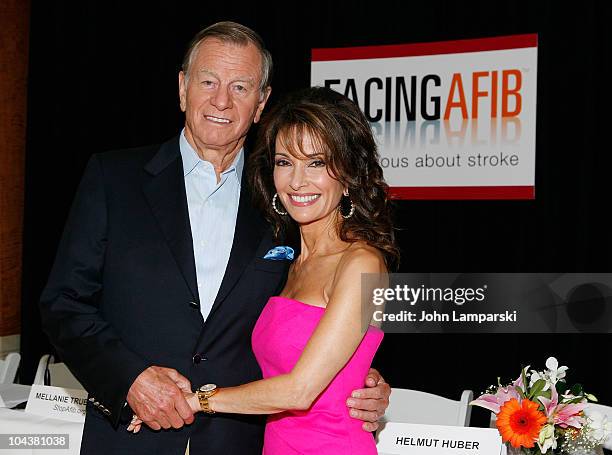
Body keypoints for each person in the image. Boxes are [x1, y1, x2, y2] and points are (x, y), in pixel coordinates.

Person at [39, 22, 390, 455]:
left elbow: (330, 313)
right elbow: (63, 303)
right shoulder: (114, 179)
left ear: (261, 102)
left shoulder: (283, 202)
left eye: (240, 87)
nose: (221, 100)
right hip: (129, 436)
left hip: (240, 440)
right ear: (183, 87)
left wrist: (360, 378)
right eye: (208, 81)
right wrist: (130, 378)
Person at [131, 86, 398, 453]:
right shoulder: (286, 263)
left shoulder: (361, 263)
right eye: (285, 162)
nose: (297, 181)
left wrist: (197, 400)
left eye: (317, 163)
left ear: (349, 173)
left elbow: (300, 390)